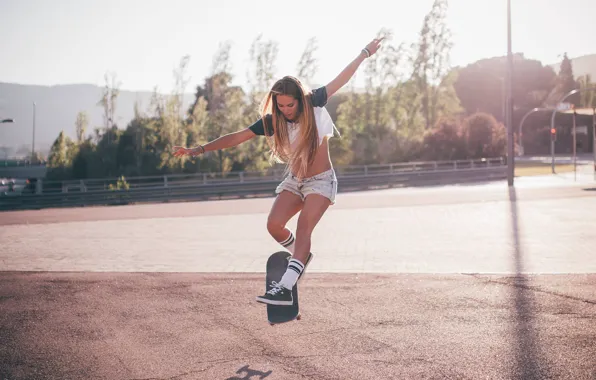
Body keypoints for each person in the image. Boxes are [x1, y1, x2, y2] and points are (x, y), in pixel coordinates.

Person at [173, 37, 384, 306]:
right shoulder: (273, 121)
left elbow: (343, 78)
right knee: (274, 225)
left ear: (299, 99)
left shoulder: (315, 102)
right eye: (280, 106)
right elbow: (237, 137)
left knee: (304, 227)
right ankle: (299, 256)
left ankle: (285, 285)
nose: (286, 111)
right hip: (295, 181)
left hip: (320, 182)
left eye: (290, 105)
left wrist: (364, 53)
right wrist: (198, 149)